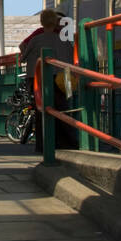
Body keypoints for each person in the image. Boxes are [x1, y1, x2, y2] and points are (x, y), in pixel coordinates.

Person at [20, 9, 79, 153]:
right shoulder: (63, 39)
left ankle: (42, 144)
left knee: (41, 111)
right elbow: (70, 59)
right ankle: (67, 142)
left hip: (37, 79)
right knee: (62, 109)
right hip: (61, 78)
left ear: (41, 22)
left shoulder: (36, 38)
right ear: (56, 22)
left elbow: (23, 57)